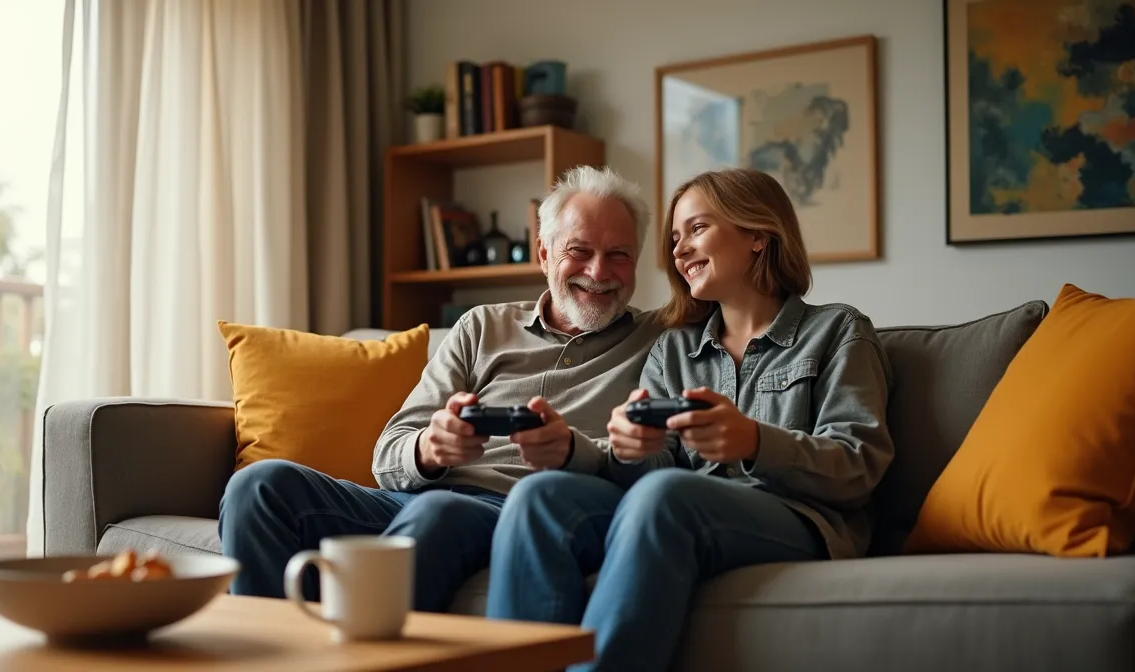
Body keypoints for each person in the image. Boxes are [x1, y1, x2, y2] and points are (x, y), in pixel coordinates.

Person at [484, 168, 896, 671]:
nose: (678, 251)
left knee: (668, 497)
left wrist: (754, 442)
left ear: (758, 236)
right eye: (674, 238)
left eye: (697, 229)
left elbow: (860, 465)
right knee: (538, 496)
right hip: (683, 509)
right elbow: (654, 471)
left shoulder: (837, 330)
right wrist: (632, 450)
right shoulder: (674, 349)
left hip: (799, 518)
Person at [218, 165, 665, 612]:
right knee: (258, 486)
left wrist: (574, 450)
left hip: (516, 513)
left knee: (440, 514)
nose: (598, 270)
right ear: (544, 254)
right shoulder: (481, 326)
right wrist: (430, 449)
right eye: (579, 250)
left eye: (619, 255)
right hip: (414, 499)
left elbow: (662, 459)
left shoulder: (659, 340)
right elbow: (387, 455)